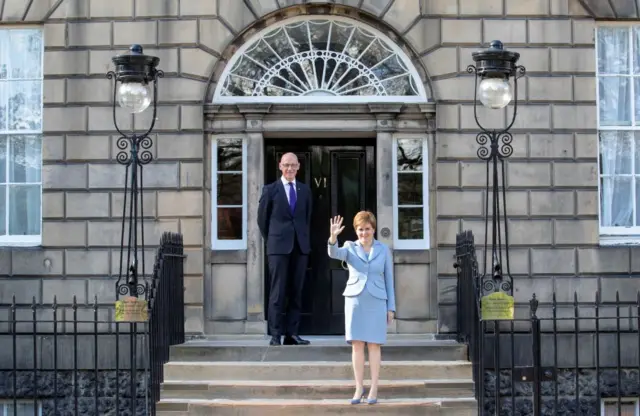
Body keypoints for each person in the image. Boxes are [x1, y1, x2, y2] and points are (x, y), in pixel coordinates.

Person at [327, 211, 396, 405]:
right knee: (357, 345)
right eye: (360, 230)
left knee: (374, 345)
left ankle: (374, 387)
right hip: (355, 300)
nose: (363, 233)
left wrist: (391, 307)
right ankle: (359, 387)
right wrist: (333, 237)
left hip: (377, 301)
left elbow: (389, 279)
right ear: (356, 231)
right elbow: (334, 253)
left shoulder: (383, 250)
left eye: (367, 229)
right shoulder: (349, 247)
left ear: (373, 229)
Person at [258, 152, 312, 346]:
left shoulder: (305, 190)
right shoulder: (270, 190)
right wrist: (272, 240)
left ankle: (292, 333)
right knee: (277, 292)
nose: (290, 169)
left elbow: (307, 218)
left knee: (296, 292)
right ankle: (275, 335)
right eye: (286, 165)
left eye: (293, 165)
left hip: (300, 247)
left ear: (298, 167)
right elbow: (262, 220)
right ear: (280, 166)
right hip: (278, 247)